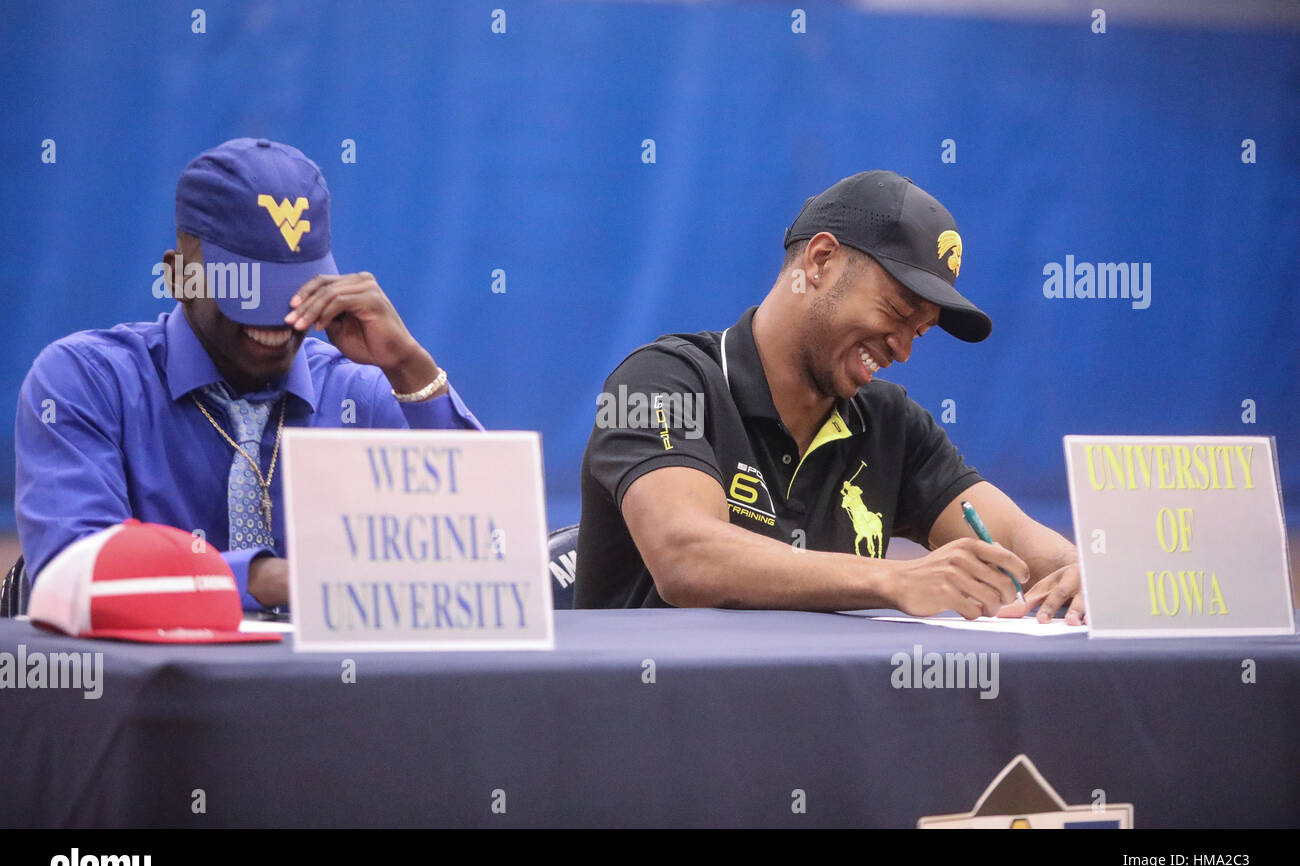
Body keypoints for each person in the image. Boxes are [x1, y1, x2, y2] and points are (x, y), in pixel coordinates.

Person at [575, 170, 1084, 624]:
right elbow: (686, 556)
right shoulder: (659, 382)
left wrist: (1077, 571)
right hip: (659, 717)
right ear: (821, 261)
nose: (903, 350)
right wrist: (895, 580)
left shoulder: (892, 424)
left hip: (823, 720)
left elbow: (1015, 538)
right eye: (897, 312)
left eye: (921, 332)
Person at [15, 138, 481, 615]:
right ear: (179, 277)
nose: (278, 319)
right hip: (156, 689)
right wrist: (277, 579)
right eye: (249, 291)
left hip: (335, 689)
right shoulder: (87, 384)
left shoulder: (359, 392)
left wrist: (408, 365)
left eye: (297, 290)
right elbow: (73, 575)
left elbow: (488, 556)